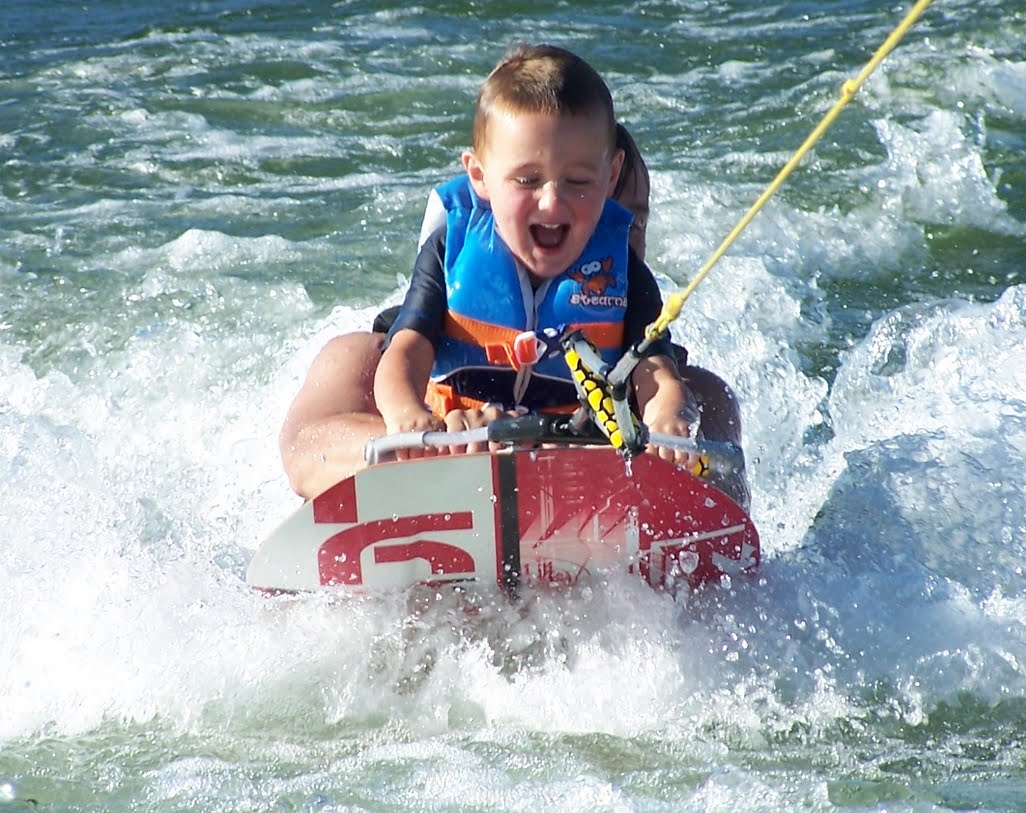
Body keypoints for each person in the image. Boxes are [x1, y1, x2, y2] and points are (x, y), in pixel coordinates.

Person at [279, 44, 743, 502]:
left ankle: (678, 498)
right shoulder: (454, 258)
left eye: (631, 220)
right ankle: (403, 471)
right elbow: (405, 358)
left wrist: (666, 426)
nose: (556, 206)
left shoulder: (631, 287)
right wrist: (419, 428)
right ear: (484, 181)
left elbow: (658, 379)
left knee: (706, 392)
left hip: (587, 440)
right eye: (529, 181)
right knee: (349, 355)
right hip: (453, 426)